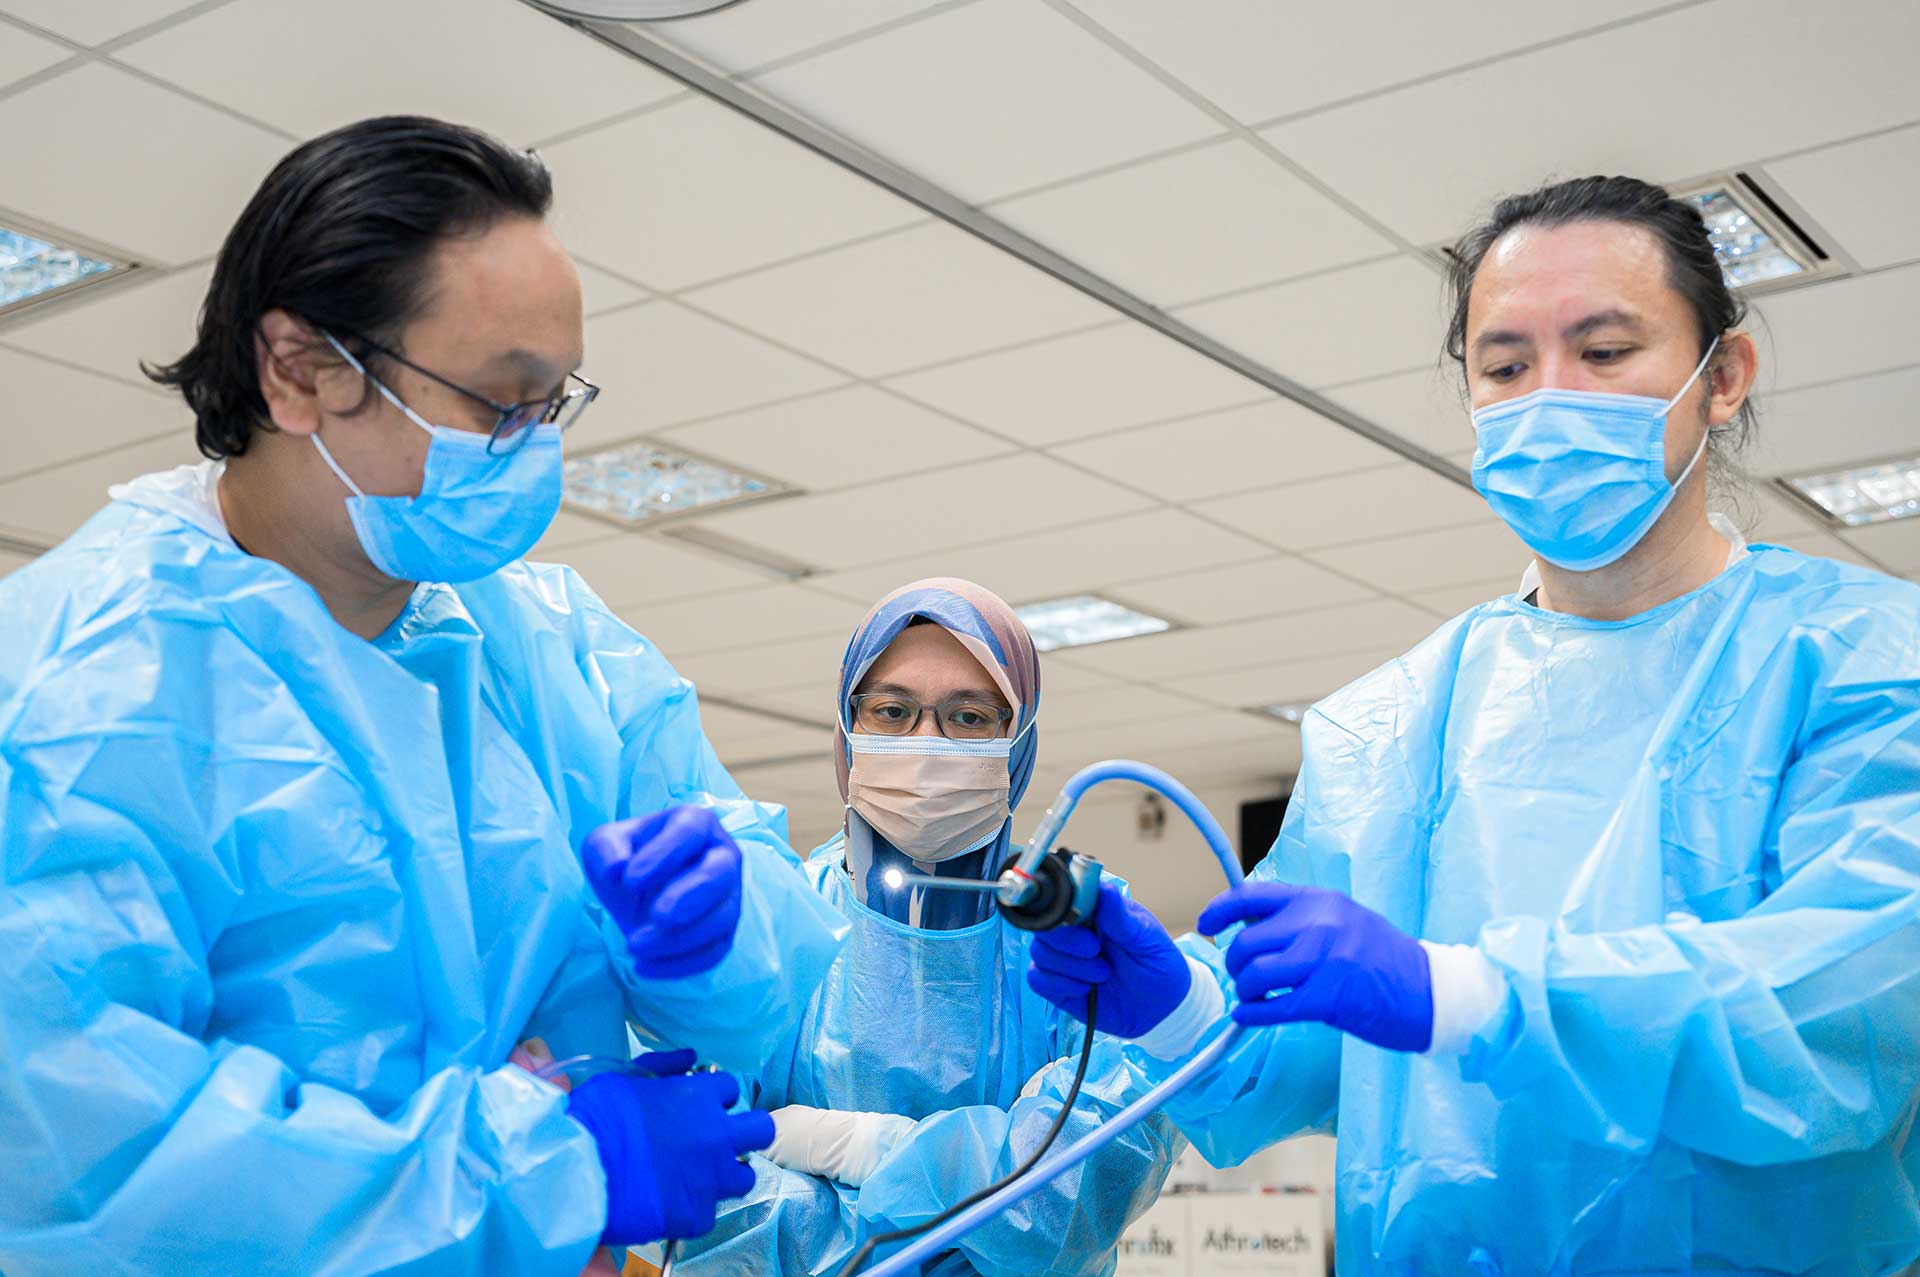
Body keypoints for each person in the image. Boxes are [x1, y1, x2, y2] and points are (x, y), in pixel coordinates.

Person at [1025, 175, 1920, 1275]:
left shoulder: (1865, 663)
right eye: (1505, 367)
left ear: (1722, 376)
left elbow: (1834, 1021)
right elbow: (1309, 1060)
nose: (1551, 398)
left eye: (1604, 351)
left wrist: (1463, 995)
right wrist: (1178, 1005)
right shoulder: (1386, 729)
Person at [0, 116, 846, 1276]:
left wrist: (712, 941)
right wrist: (552, 1173)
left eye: (552, 405)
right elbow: (78, 1162)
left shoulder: (551, 649)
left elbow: (789, 1005)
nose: (532, 451)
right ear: (300, 370)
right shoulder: (81, 693)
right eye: (498, 402)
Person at [648, 579, 1183, 1276]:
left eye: (969, 717)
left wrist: (858, 1148)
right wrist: (969, 1204)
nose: (926, 743)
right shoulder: (768, 920)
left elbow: (1074, 1203)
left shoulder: (1081, 937)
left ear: (1019, 742)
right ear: (847, 729)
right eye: (892, 711)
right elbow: (700, 1197)